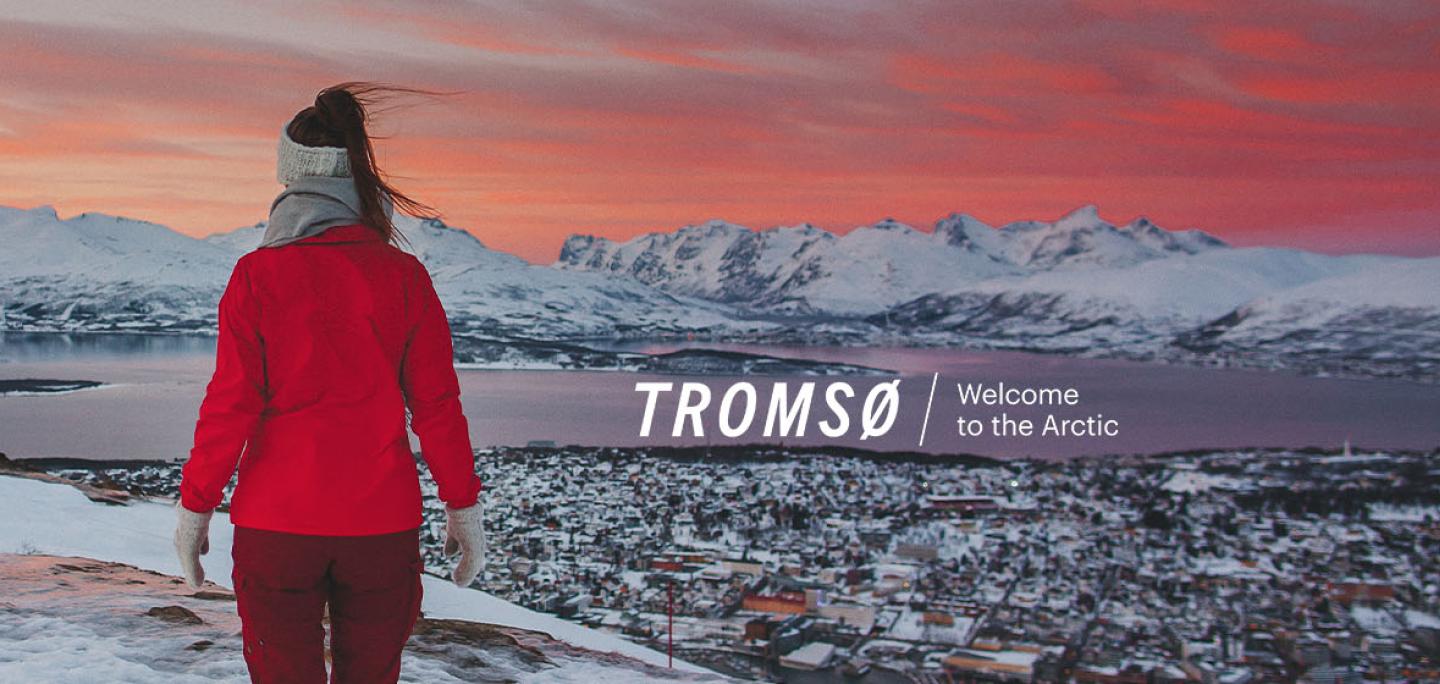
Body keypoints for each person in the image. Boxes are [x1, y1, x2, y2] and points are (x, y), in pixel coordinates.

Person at [171, 82, 487, 684]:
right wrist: (462, 506)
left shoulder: (257, 275)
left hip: (276, 528)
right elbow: (437, 406)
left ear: (292, 177)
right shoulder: (404, 278)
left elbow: (231, 404)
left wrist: (196, 507)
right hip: (381, 528)